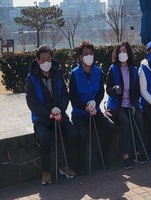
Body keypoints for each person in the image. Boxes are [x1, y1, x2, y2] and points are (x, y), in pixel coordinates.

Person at [26, 45, 79, 185]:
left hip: (59, 115)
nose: (46, 62)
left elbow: (65, 94)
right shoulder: (31, 78)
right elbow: (31, 102)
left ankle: (64, 165)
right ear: (37, 61)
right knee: (45, 138)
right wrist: (48, 114)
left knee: (73, 134)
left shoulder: (57, 74)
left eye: (48, 58)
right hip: (41, 118)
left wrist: (59, 110)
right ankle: (46, 171)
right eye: (43, 59)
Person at [69, 40, 114, 175]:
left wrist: (95, 102)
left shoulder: (98, 71)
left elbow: (101, 92)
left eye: (91, 53)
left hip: (95, 111)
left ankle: (102, 157)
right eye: (86, 54)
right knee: (82, 134)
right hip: (79, 113)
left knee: (110, 127)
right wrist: (86, 106)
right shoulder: (75, 74)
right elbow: (73, 97)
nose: (89, 56)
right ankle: (81, 164)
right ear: (81, 57)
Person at [106, 41, 147, 170]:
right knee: (125, 122)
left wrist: (134, 105)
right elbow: (108, 90)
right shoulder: (113, 69)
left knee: (140, 120)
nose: (122, 53)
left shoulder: (134, 70)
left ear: (129, 53)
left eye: (124, 51)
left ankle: (137, 151)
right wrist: (115, 89)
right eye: (120, 51)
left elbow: (137, 91)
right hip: (118, 106)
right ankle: (125, 155)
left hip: (131, 104)